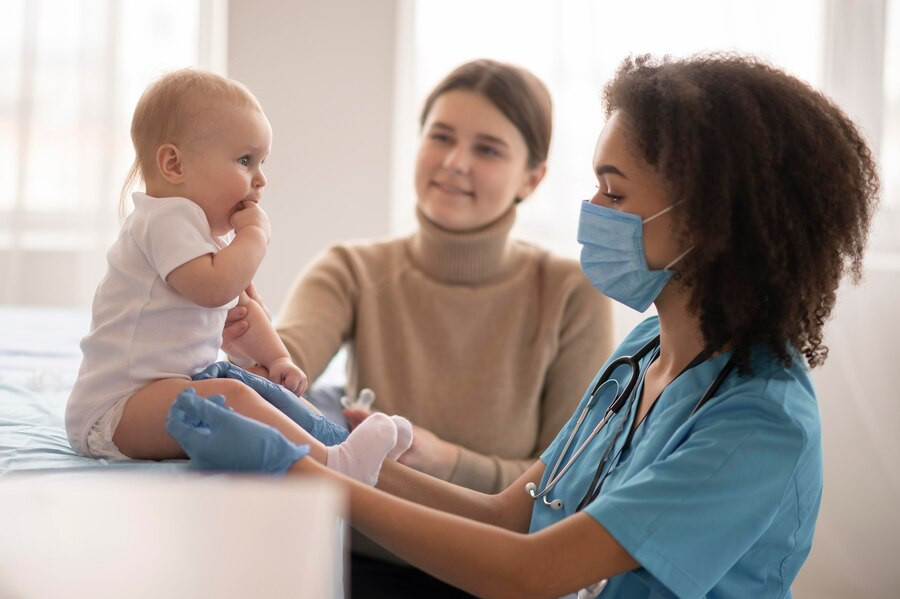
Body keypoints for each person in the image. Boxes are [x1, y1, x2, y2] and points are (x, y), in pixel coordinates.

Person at [167, 53, 878, 598]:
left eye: (614, 189)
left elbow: (531, 569)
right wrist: (316, 437)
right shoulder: (648, 350)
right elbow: (515, 512)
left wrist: (303, 473)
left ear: (707, 219)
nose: (592, 207)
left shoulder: (758, 423)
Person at [221, 59, 614, 595]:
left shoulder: (572, 293)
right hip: (361, 564)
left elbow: (565, 487)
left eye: (488, 149)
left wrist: (443, 458)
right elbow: (283, 364)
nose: (455, 162)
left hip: (494, 576)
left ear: (533, 177)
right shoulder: (352, 268)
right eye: (442, 137)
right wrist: (246, 336)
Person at [65, 69, 411, 487]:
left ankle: (342, 444)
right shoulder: (162, 220)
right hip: (115, 412)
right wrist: (256, 237)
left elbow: (241, 309)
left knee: (255, 388)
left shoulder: (207, 237)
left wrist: (277, 357)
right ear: (173, 164)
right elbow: (215, 291)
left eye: (262, 162)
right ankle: (335, 463)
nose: (261, 179)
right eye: (245, 161)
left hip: (167, 392)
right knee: (233, 397)